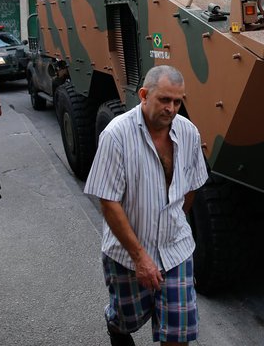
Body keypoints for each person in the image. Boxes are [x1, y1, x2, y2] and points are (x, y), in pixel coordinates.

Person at [84, 66, 208, 346]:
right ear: (143, 95)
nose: (172, 109)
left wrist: (174, 223)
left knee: (177, 334)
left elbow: (191, 187)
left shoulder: (188, 132)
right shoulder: (116, 135)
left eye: (177, 101)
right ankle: (115, 325)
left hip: (176, 249)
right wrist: (140, 257)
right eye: (165, 100)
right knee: (127, 318)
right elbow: (108, 200)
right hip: (127, 254)